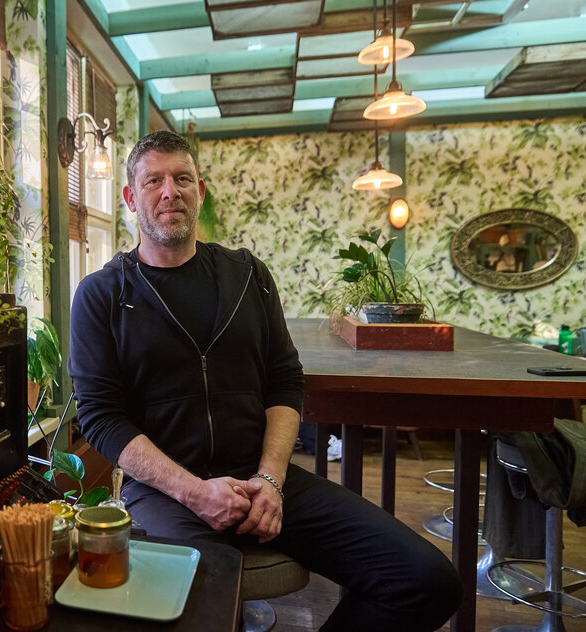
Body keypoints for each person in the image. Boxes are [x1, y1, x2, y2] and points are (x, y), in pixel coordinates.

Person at [68, 130, 462, 631]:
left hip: (264, 479)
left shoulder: (247, 274)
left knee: (428, 581)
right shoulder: (102, 293)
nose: (170, 192)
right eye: (153, 181)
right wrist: (195, 492)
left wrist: (271, 480)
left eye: (183, 178)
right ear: (130, 197)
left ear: (200, 191)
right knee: (204, 612)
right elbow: (101, 417)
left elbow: (284, 380)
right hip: (167, 493)